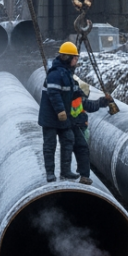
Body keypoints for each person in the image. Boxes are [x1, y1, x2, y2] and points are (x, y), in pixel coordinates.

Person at [39, 42, 81, 182]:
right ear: (68, 58)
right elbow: (54, 94)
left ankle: (65, 171)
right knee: (50, 145)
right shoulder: (55, 74)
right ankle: (50, 173)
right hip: (51, 117)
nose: (77, 60)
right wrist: (61, 111)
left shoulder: (67, 73)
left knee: (68, 140)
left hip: (64, 117)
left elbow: (72, 93)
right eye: (75, 57)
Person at [64, 75, 111, 186]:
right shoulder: (77, 98)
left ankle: (67, 173)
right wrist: (103, 101)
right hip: (77, 127)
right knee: (82, 150)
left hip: (67, 127)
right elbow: (91, 105)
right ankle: (83, 176)